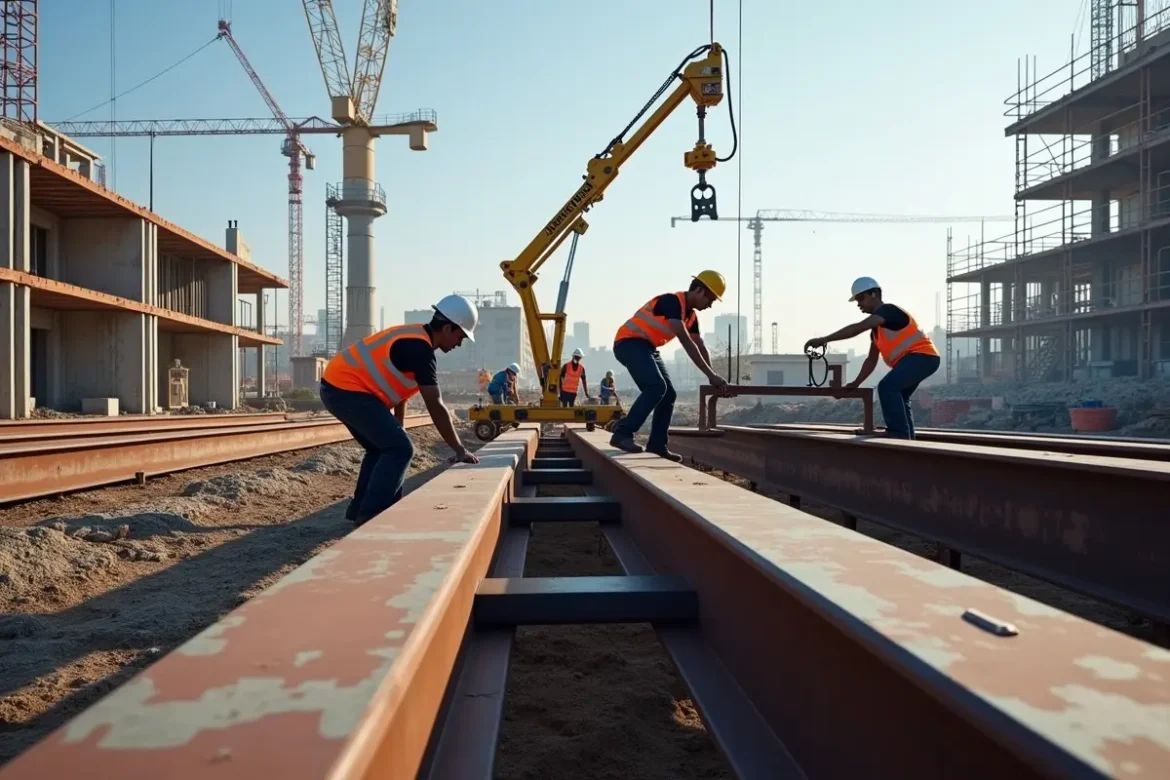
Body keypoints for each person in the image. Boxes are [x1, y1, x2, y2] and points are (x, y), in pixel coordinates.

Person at [319, 294, 481, 526]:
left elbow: (398, 392)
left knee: (382, 449)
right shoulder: (420, 350)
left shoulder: (415, 340)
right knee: (400, 449)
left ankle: (360, 510)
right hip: (346, 389)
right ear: (447, 328)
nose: (459, 343)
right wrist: (459, 449)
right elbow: (435, 405)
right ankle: (373, 516)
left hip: (337, 387)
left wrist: (397, 428)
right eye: (460, 336)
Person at [608, 271, 730, 460]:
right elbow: (686, 341)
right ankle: (623, 433)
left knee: (668, 394)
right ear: (699, 291)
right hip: (629, 343)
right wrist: (710, 375)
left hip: (647, 347)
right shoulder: (672, 302)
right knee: (656, 387)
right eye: (710, 299)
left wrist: (712, 374)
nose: (710, 305)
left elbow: (699, 345)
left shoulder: (691, 318)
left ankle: (657, 444)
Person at [803, 276, 940, 440]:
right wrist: (856, 383)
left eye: (861, 298)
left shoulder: (888, 311)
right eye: (856, 300)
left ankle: (898, 434)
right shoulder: (877, 332)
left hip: (922, 357)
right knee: (900, 397)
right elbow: (871, 360)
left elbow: (857, 328)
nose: (858, 304)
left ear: (874, 294)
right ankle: (907, 439)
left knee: (887, 387)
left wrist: (823, 340)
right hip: (921, 360)